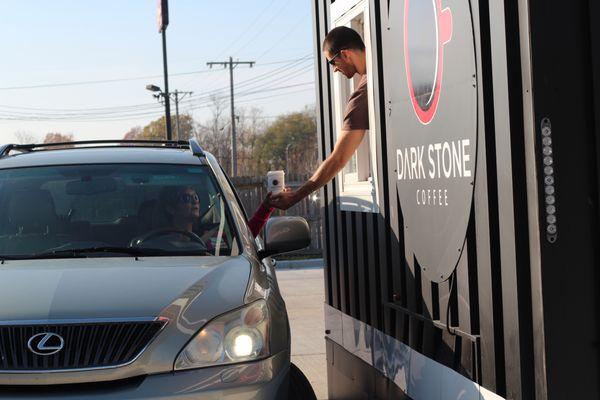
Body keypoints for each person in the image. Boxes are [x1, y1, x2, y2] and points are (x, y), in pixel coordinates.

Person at [269, 26, 369, 210]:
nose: (334, 70)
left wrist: (295, 197)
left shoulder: (363, 94)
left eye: (332, 62)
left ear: (345, 54)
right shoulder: (382, 70)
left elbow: (338, 158)